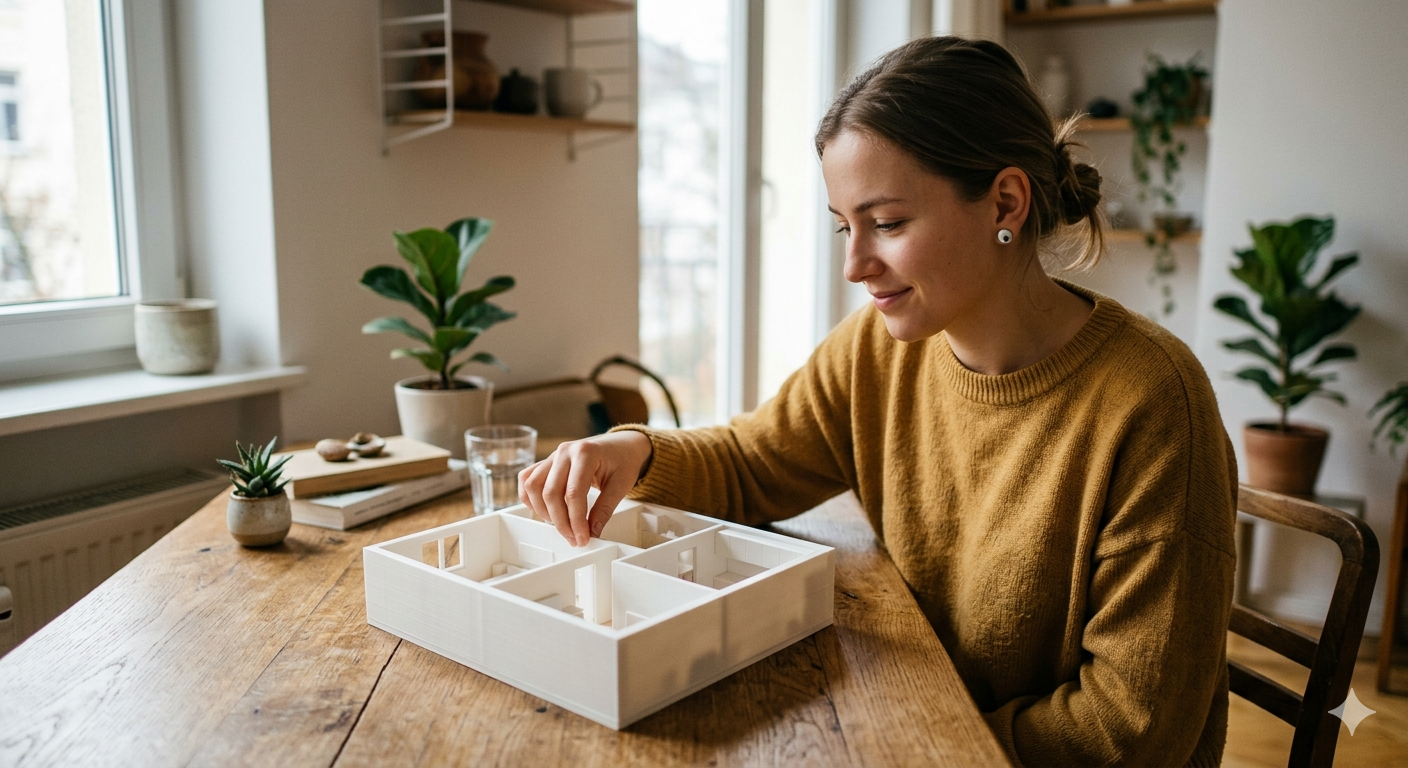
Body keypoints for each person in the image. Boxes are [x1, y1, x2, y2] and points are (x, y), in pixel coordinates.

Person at [518, 36, 1236, 767]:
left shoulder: (1151, 403)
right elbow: (752, 462)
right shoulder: (878, 349)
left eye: (887, 223)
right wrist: (634, 451)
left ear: (1007, 202)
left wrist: (907, 741)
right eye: (844, 226)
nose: (856, 265)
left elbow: (1132, 733)